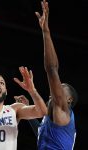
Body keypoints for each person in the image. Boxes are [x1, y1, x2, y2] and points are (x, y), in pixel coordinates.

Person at [35, 0, 78, 149]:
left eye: (61, 87)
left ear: (69, 100)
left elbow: (52, 69)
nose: (57, 87)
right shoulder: (54, 119)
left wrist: (45, 32)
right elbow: (41, 136)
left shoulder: (62, 109)